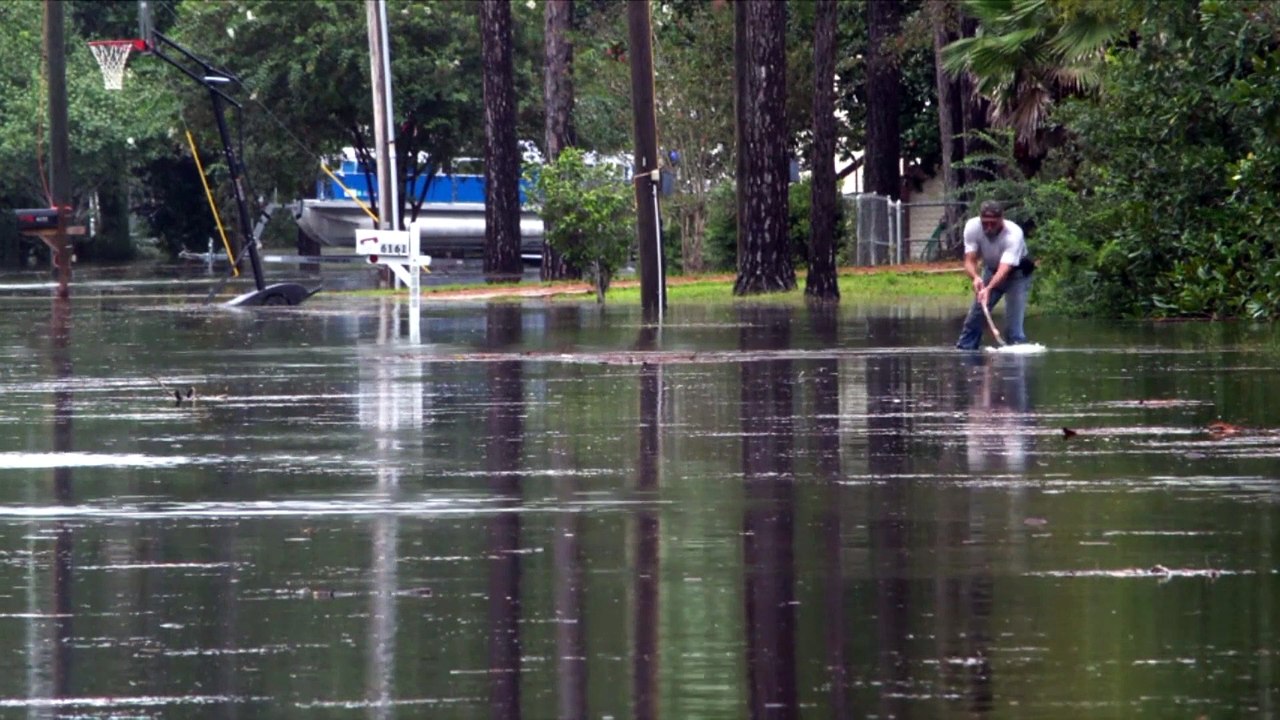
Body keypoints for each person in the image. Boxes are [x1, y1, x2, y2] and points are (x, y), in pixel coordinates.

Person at [955, 201, 1033, 350]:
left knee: (1013, 330)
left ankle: (1016, 362)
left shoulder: (1013, 234)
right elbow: (969, 261)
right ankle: (966, 353)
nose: (989, 228)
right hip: (990, 271)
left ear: (1001, 219)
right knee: (974, 319)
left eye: (993, 223)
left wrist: (989, 288)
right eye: (985, 223)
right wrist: (976, 277)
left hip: (1017, 275)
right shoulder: (972, 227)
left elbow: (1005, 269)